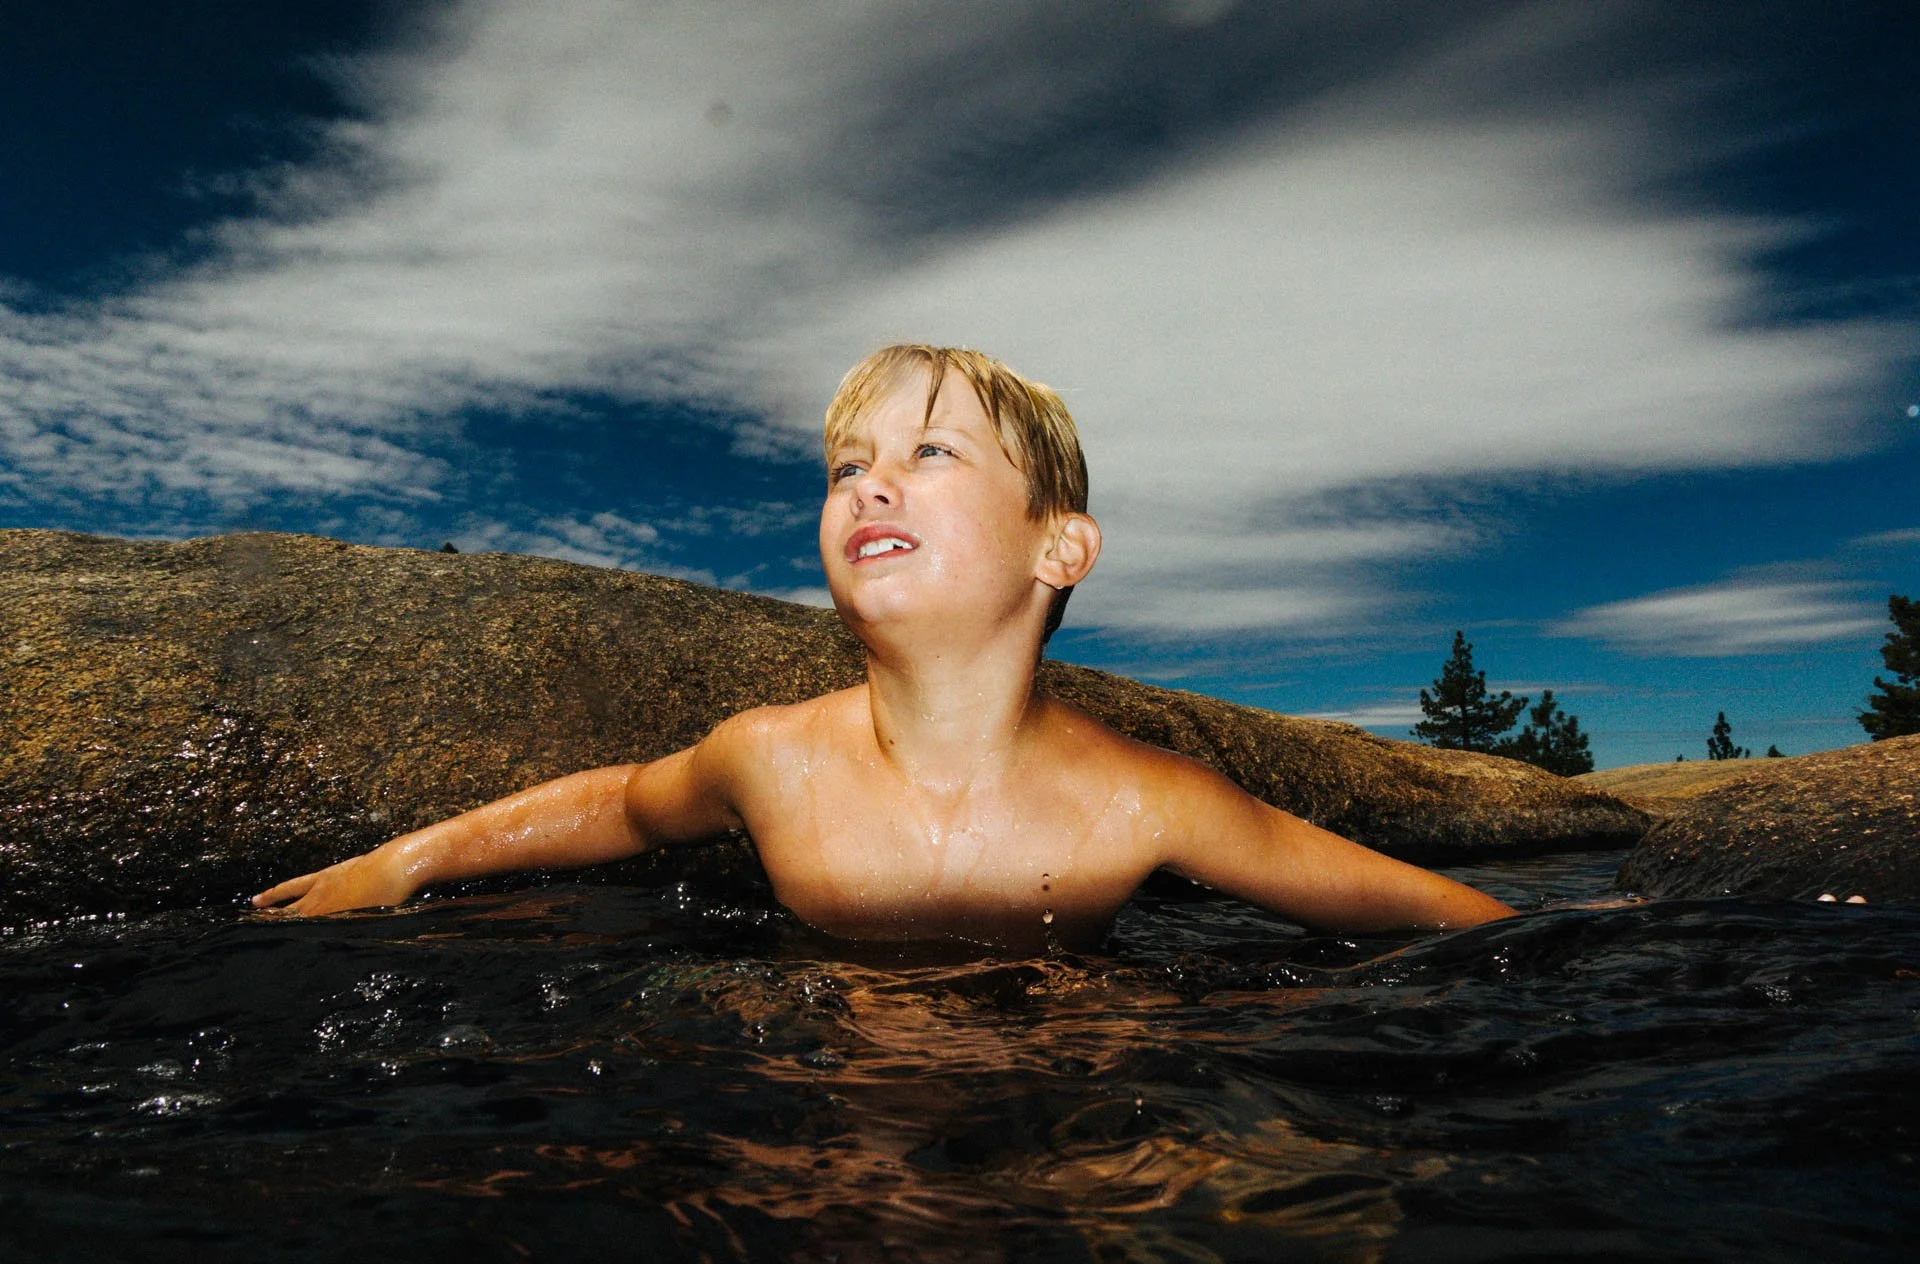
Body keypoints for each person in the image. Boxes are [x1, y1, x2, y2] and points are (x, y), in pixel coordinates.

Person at [254, 344, 1515, 949]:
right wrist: (403, 859)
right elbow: (621, 811)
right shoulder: (774, 763)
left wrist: (1559, 937)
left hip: (1072, 1103)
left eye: (930, 454)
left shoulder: (1138, 801)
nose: (870, 486)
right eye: (848, 466)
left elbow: (1397, 896)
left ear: (1058, 549)